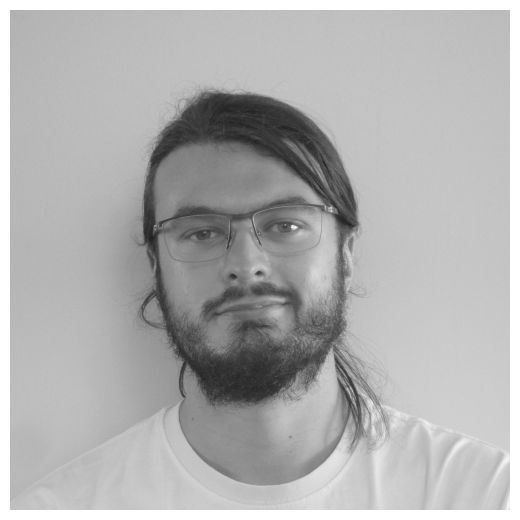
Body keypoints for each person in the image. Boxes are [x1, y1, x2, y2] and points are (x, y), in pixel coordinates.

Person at [11, 90, 509, 510]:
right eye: (201, 232)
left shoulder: (483, 496)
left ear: (346, 253)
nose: (246, 263)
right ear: (155, 266)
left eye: (285, 224)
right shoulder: (63, 508)